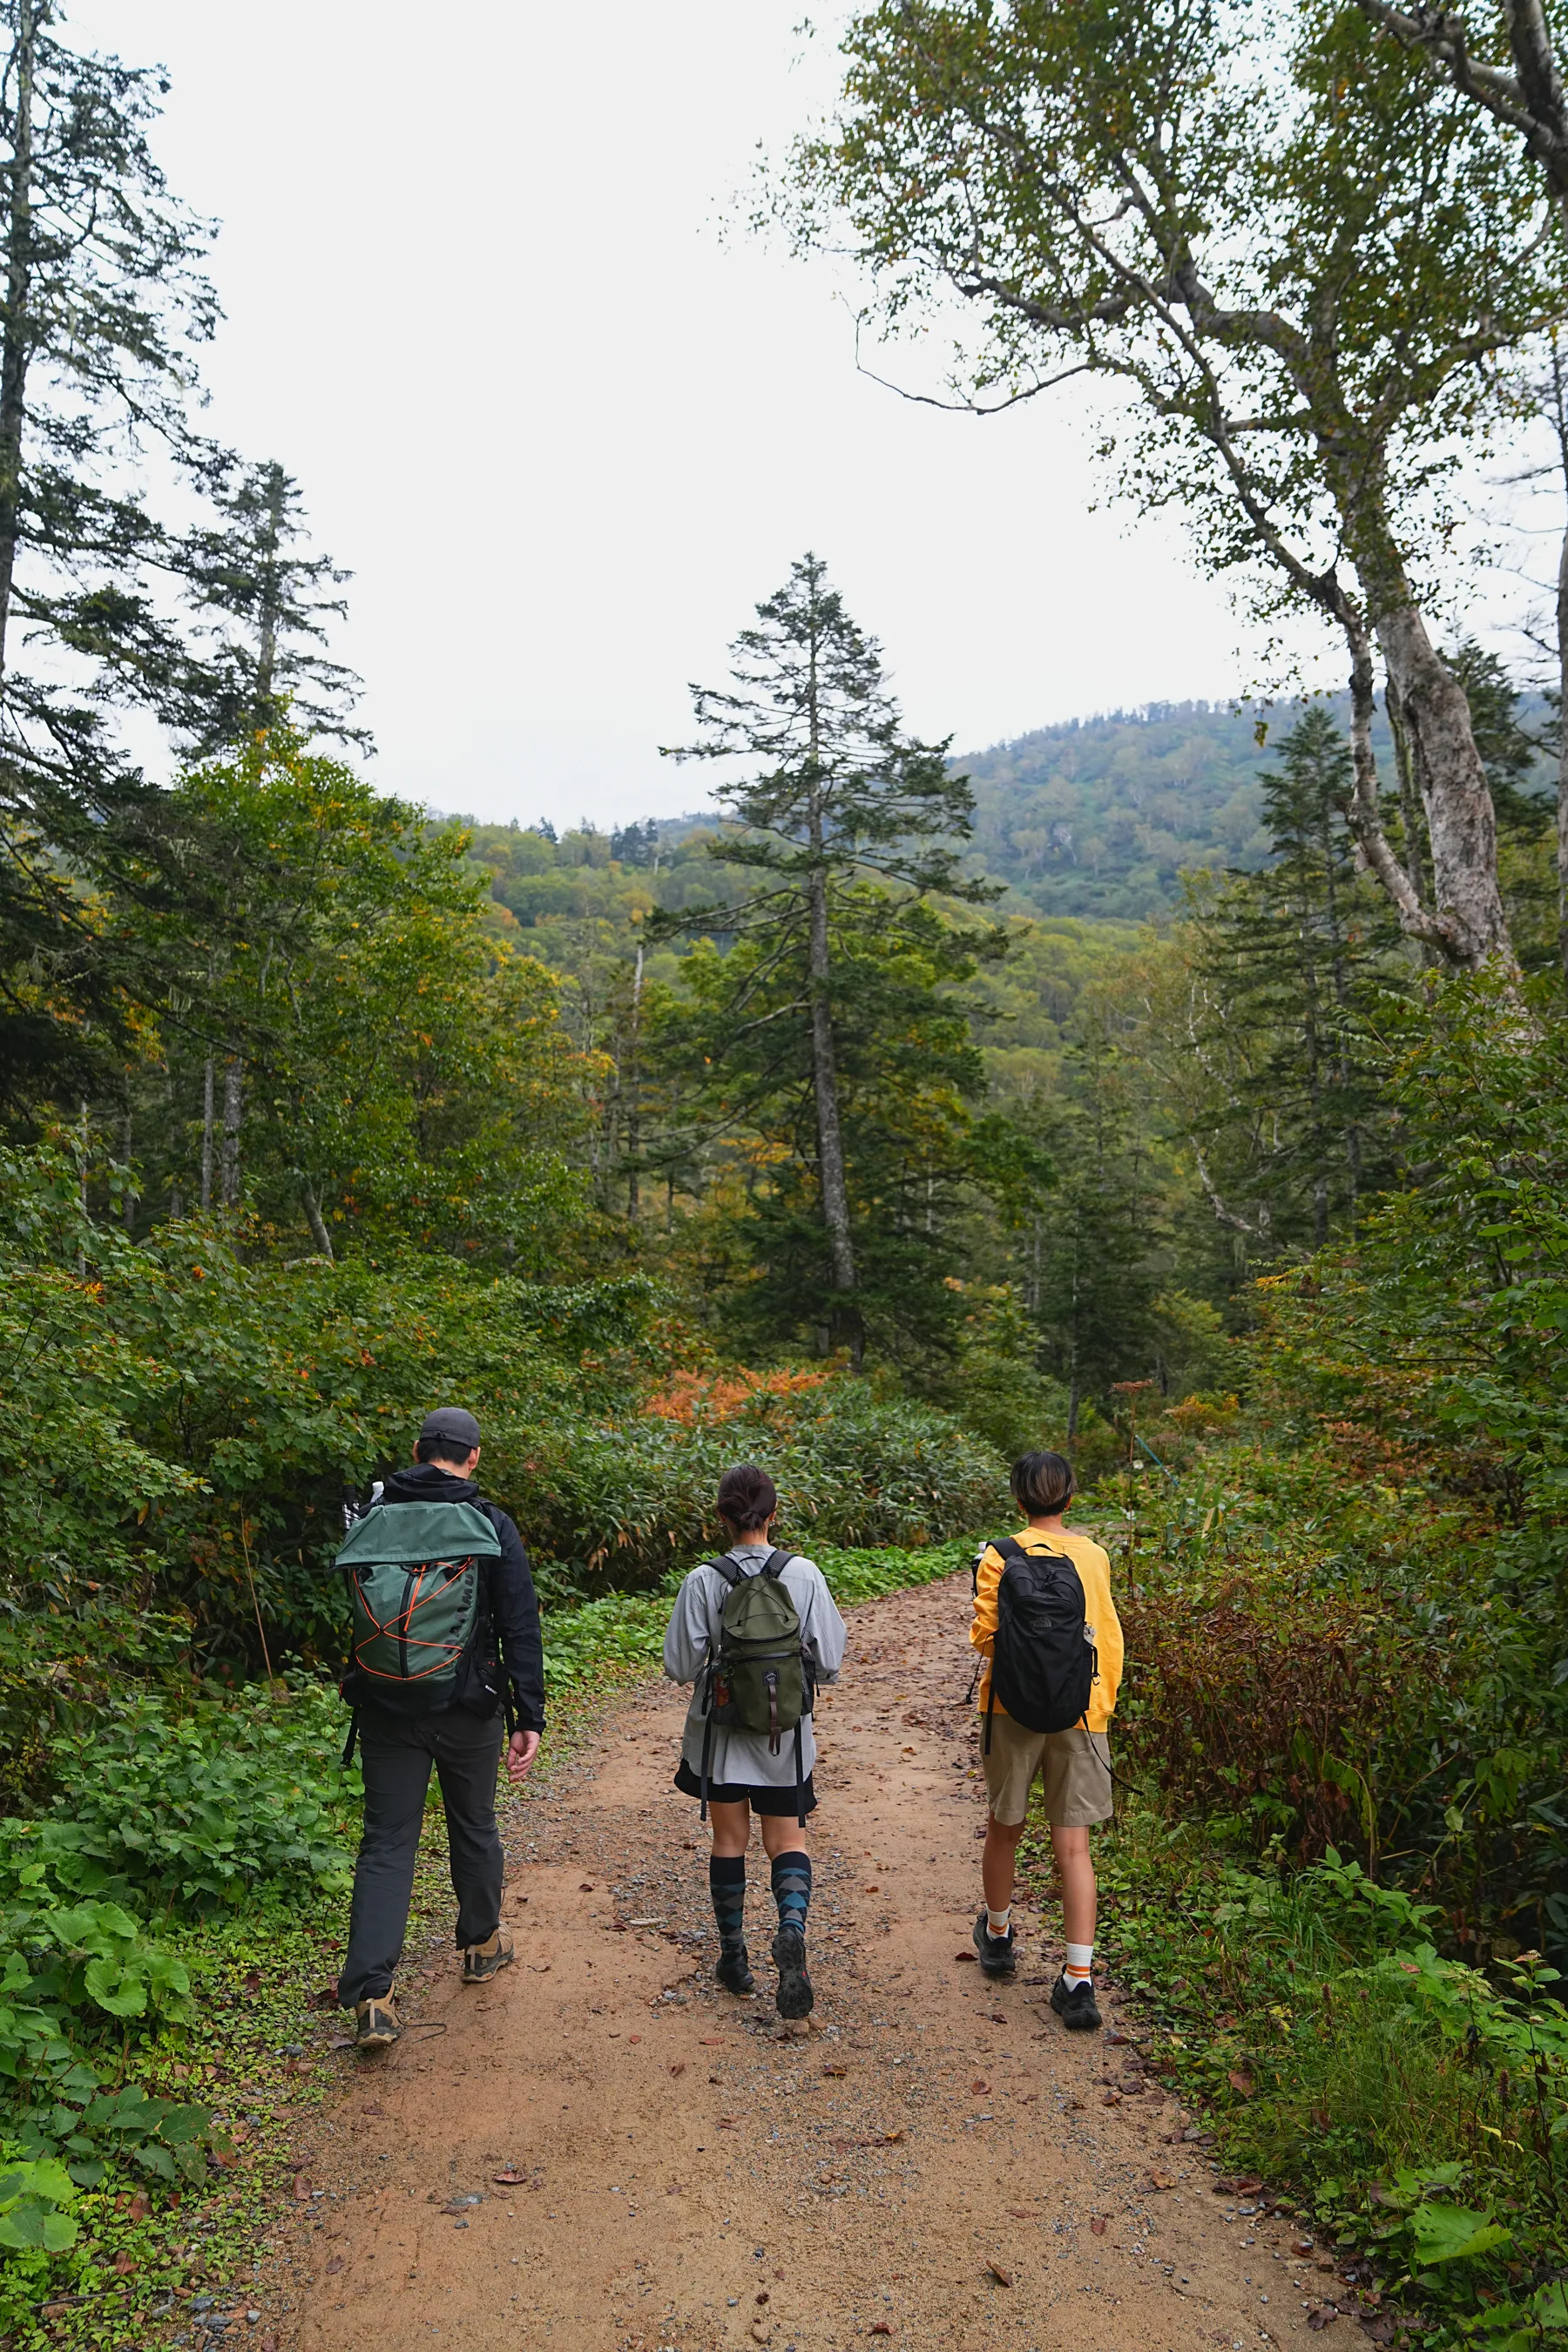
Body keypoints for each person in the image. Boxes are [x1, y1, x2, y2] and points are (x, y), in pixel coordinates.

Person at [336, 1407, 545, 2050]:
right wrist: (528, 1712)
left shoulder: (373, 1514)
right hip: (468, 1708)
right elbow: (519, 1621)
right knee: (474, 1823)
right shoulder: (488, 1524)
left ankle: (373, 1995)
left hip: (386, 1707)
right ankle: (481, 1943)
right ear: (473, 1457)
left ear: (418, 1449)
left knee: (386, 1844)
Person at [663, 1463, 847, 2019]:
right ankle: (791, 1929)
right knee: (787, 1842)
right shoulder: (805, 1574)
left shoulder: (703, 1580)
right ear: (773, 1515)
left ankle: (734, 1957)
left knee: (729, 1842)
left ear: (722, 1516)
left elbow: (679, 1665)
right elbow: (831, 1661)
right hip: (785, 1740)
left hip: (720, 1739)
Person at [969, 1449, 1124, 2031]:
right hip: (1082, 1713)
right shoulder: (1093, 1555)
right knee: (1074, 1849)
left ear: (1018, 1500)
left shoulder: (1000, 1555)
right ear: (1071, 1497)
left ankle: (1000, 1936)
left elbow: (986, 1637)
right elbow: (1107, 1637)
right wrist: (1098, 1703)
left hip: (1011, 1711)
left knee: (1005, 1828)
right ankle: (1078, 1981)